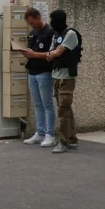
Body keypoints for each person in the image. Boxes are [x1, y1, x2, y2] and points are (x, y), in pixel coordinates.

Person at [45, 10, 81, 154]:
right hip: (56, 75)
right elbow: (50, 54)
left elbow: (57, 53)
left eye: (52, 19)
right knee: (66, 108)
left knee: (63, 110)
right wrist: (53, 53)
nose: (51, 22)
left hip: (66, 77)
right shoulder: (56, 35)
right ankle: (72, 138)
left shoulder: (70, 34)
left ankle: (63, 142)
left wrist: (53, 53)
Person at [20, 8, 56, 147]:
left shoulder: (50, 32)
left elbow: (52, 53)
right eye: (29, 23)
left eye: (32, 22)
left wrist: (35, 55)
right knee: (37, 104)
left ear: (38, 17)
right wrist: (27, 53)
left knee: (47, 104)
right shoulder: (33, 32)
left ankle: (50, 134)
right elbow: (32, 51)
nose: (32, 25)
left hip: (44, 72)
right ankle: (39, 132)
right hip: (32, 71)